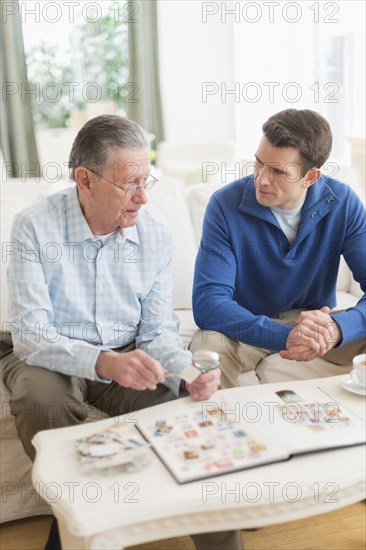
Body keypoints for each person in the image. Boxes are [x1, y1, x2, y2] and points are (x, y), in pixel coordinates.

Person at [1, 115, 243, 550]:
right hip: (47, 355)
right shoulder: (34, 227)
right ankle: (81, 519)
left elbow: (158, 333)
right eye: (130, 183)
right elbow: (31, 334)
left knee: (182, 410)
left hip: (127, 351)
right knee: (43, 401)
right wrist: (104, 362)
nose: (143, 197)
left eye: (146, 180)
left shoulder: (153, 236)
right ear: (85, 180)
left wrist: (186, 371)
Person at [191, 109, 366, 387]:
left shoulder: (343, 203)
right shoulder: (224, 205)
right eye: (259, 163)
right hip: (243, 325)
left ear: (311, 177)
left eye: (277, 172)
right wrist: (284, 336)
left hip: (314, 325)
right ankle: (219, 427)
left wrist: (337, 329)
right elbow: (208, 303)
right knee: (206, 349)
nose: (261, 179)